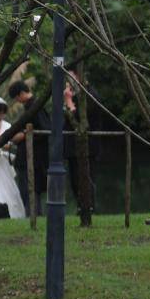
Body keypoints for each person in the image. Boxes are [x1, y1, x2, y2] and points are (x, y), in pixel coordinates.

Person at [8, 80, 51, 215]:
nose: (17, 101)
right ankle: (33, 214)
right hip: (30, 156)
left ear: (21, 94)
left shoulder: (35, 107)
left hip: (33, 157)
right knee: (30, 190)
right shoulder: (31, 106)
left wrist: (24, 135)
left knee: (30, 189)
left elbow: (45, 129)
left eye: (16, 98)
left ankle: (33, 215)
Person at [64, 71, 103, 213]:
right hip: (73, 146)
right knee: (75, 179)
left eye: (71, 78)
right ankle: (81, 206)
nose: (68, 82)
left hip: (87, 146)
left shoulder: (91, 95)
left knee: (86, 177)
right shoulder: (76, 96)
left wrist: (68, 102)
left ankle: (89, 207)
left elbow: (81, 120)